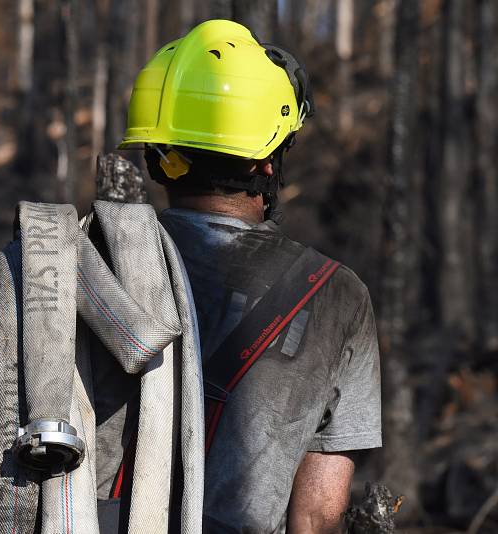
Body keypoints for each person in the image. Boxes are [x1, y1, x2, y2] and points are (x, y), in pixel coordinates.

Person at [114, 19, 383, 533]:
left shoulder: (73, 265)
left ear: (157, 158)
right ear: (268, 162)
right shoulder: (338, 297)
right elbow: (318, 516)